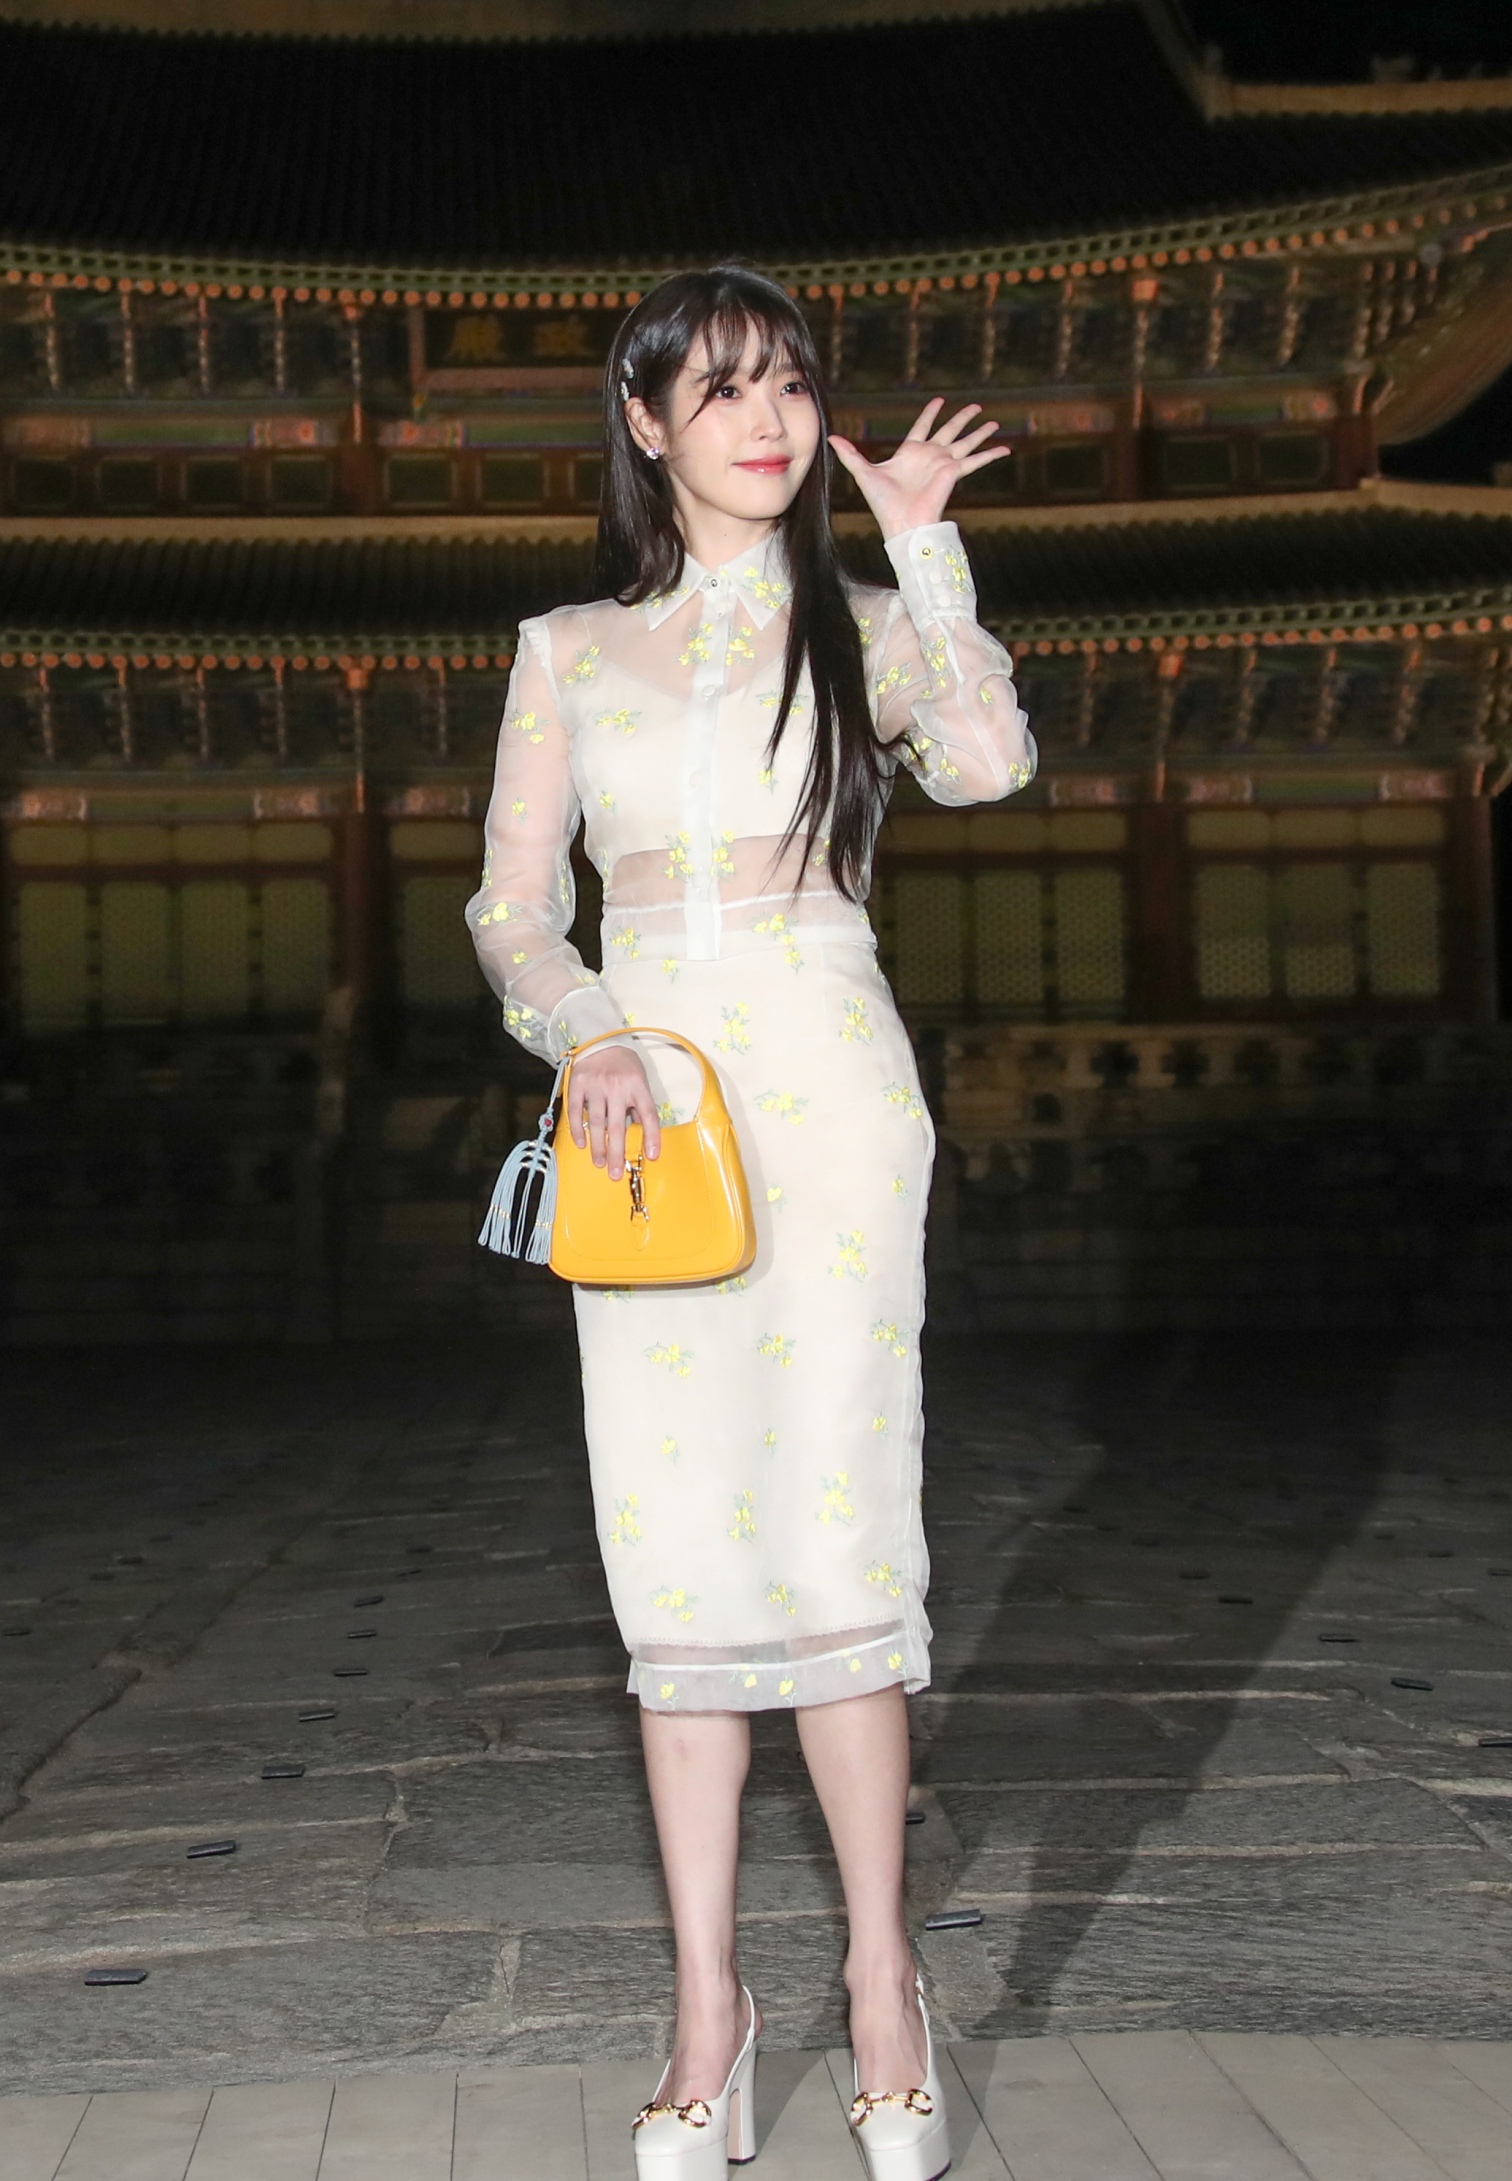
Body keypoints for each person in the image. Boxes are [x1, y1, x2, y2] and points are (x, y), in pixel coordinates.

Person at [467, 263, 1034, 2181]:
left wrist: (926, 549)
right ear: (645, 424)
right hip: (650, 1124)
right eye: (718, 389)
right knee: (677, 1549)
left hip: (836, 1096)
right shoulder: (568, 648)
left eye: (788, 380)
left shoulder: (862, 628)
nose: (768, 417)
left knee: (841, 1524)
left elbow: (989, 766)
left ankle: (883, 1985)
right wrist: (594, 1032)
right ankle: (708, 2015)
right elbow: (511, 909)